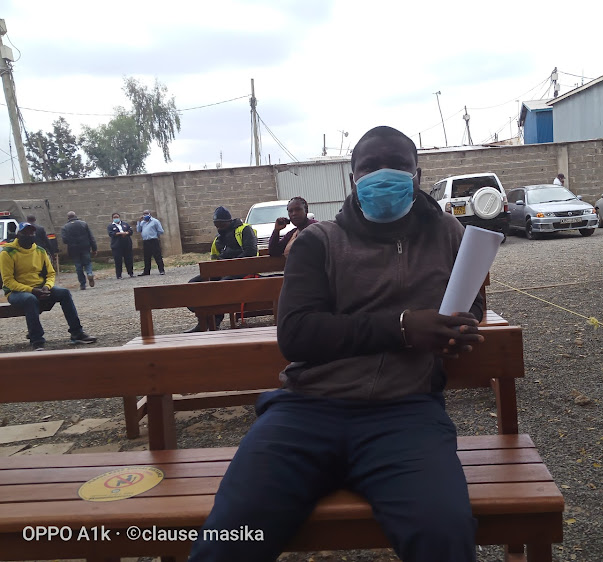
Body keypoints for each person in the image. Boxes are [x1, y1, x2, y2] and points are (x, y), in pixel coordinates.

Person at [190, 126, 485, 561]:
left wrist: (459, 329)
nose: (384, 174)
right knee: (231, 536)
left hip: (405, 412)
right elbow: (297, 335)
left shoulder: (448, 233)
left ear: (417, 175)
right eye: (370, 167)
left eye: (398, 166)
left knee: (444, 534)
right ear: (353, 179)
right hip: (306, 411)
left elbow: (472, 303)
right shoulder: (318, 242)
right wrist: (402, 328)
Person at [0, 222, 96, 351]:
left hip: (39, 287)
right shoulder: (7, 252)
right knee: (30, 299)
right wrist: (32, 290)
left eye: (31, 232)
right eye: (26, 232)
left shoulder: (40, 251)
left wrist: (47, 287)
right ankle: (37, 340)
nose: (29, 235)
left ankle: (77, 333)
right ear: (18, 235)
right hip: (16, 292)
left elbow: (50, 273)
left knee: (64, 293)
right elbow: (8, 281)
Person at [183, 206, 258, 333]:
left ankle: (215, 321)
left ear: (228, 221)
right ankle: (204, 319)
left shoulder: (244, 230)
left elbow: (250, 252)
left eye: (221, 224)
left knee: (222, 284)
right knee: (192, 286)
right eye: (216, 224)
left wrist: (229, 264)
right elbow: (215, 260)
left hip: (244, 271)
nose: (219, 227)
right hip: (222, 271)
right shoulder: (218, 239)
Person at [60, 211, 97, 291]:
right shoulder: (83, 224)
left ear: (68, 218)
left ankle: (82, 284)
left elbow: (65, 240)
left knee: (78, 266)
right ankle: (89, 273)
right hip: (85, 247)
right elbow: (91, 237)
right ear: (75, 216)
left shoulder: (65, 227)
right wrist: (94, 248)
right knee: (87, 262)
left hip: (73, 249)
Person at [136, 209, 165, 276]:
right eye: (144, 214)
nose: (145, 215)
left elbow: (161, 231)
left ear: (150, 214)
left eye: (146, 213)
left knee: (157, 256)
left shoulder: (155, 221)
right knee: (146, 257)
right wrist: (139, 222)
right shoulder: (142, 222)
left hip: (153, 240)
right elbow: (138, 230)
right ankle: (146, 271)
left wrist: (155, 235)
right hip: (146, 241)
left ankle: (161, 270)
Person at [107, 213, 135, 279]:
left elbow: (130, 231)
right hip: (117, 246)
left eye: (117, 217)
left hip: (127, 244)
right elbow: (111, 233)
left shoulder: (125, 224)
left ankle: (130, 273)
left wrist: (126, 233)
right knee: (118, 261)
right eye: (114, 217)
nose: (116, 218)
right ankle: (119, 275)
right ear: (112, 218)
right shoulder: (110, 226)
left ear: (119, 217)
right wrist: (120, 233)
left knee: (129, 259)